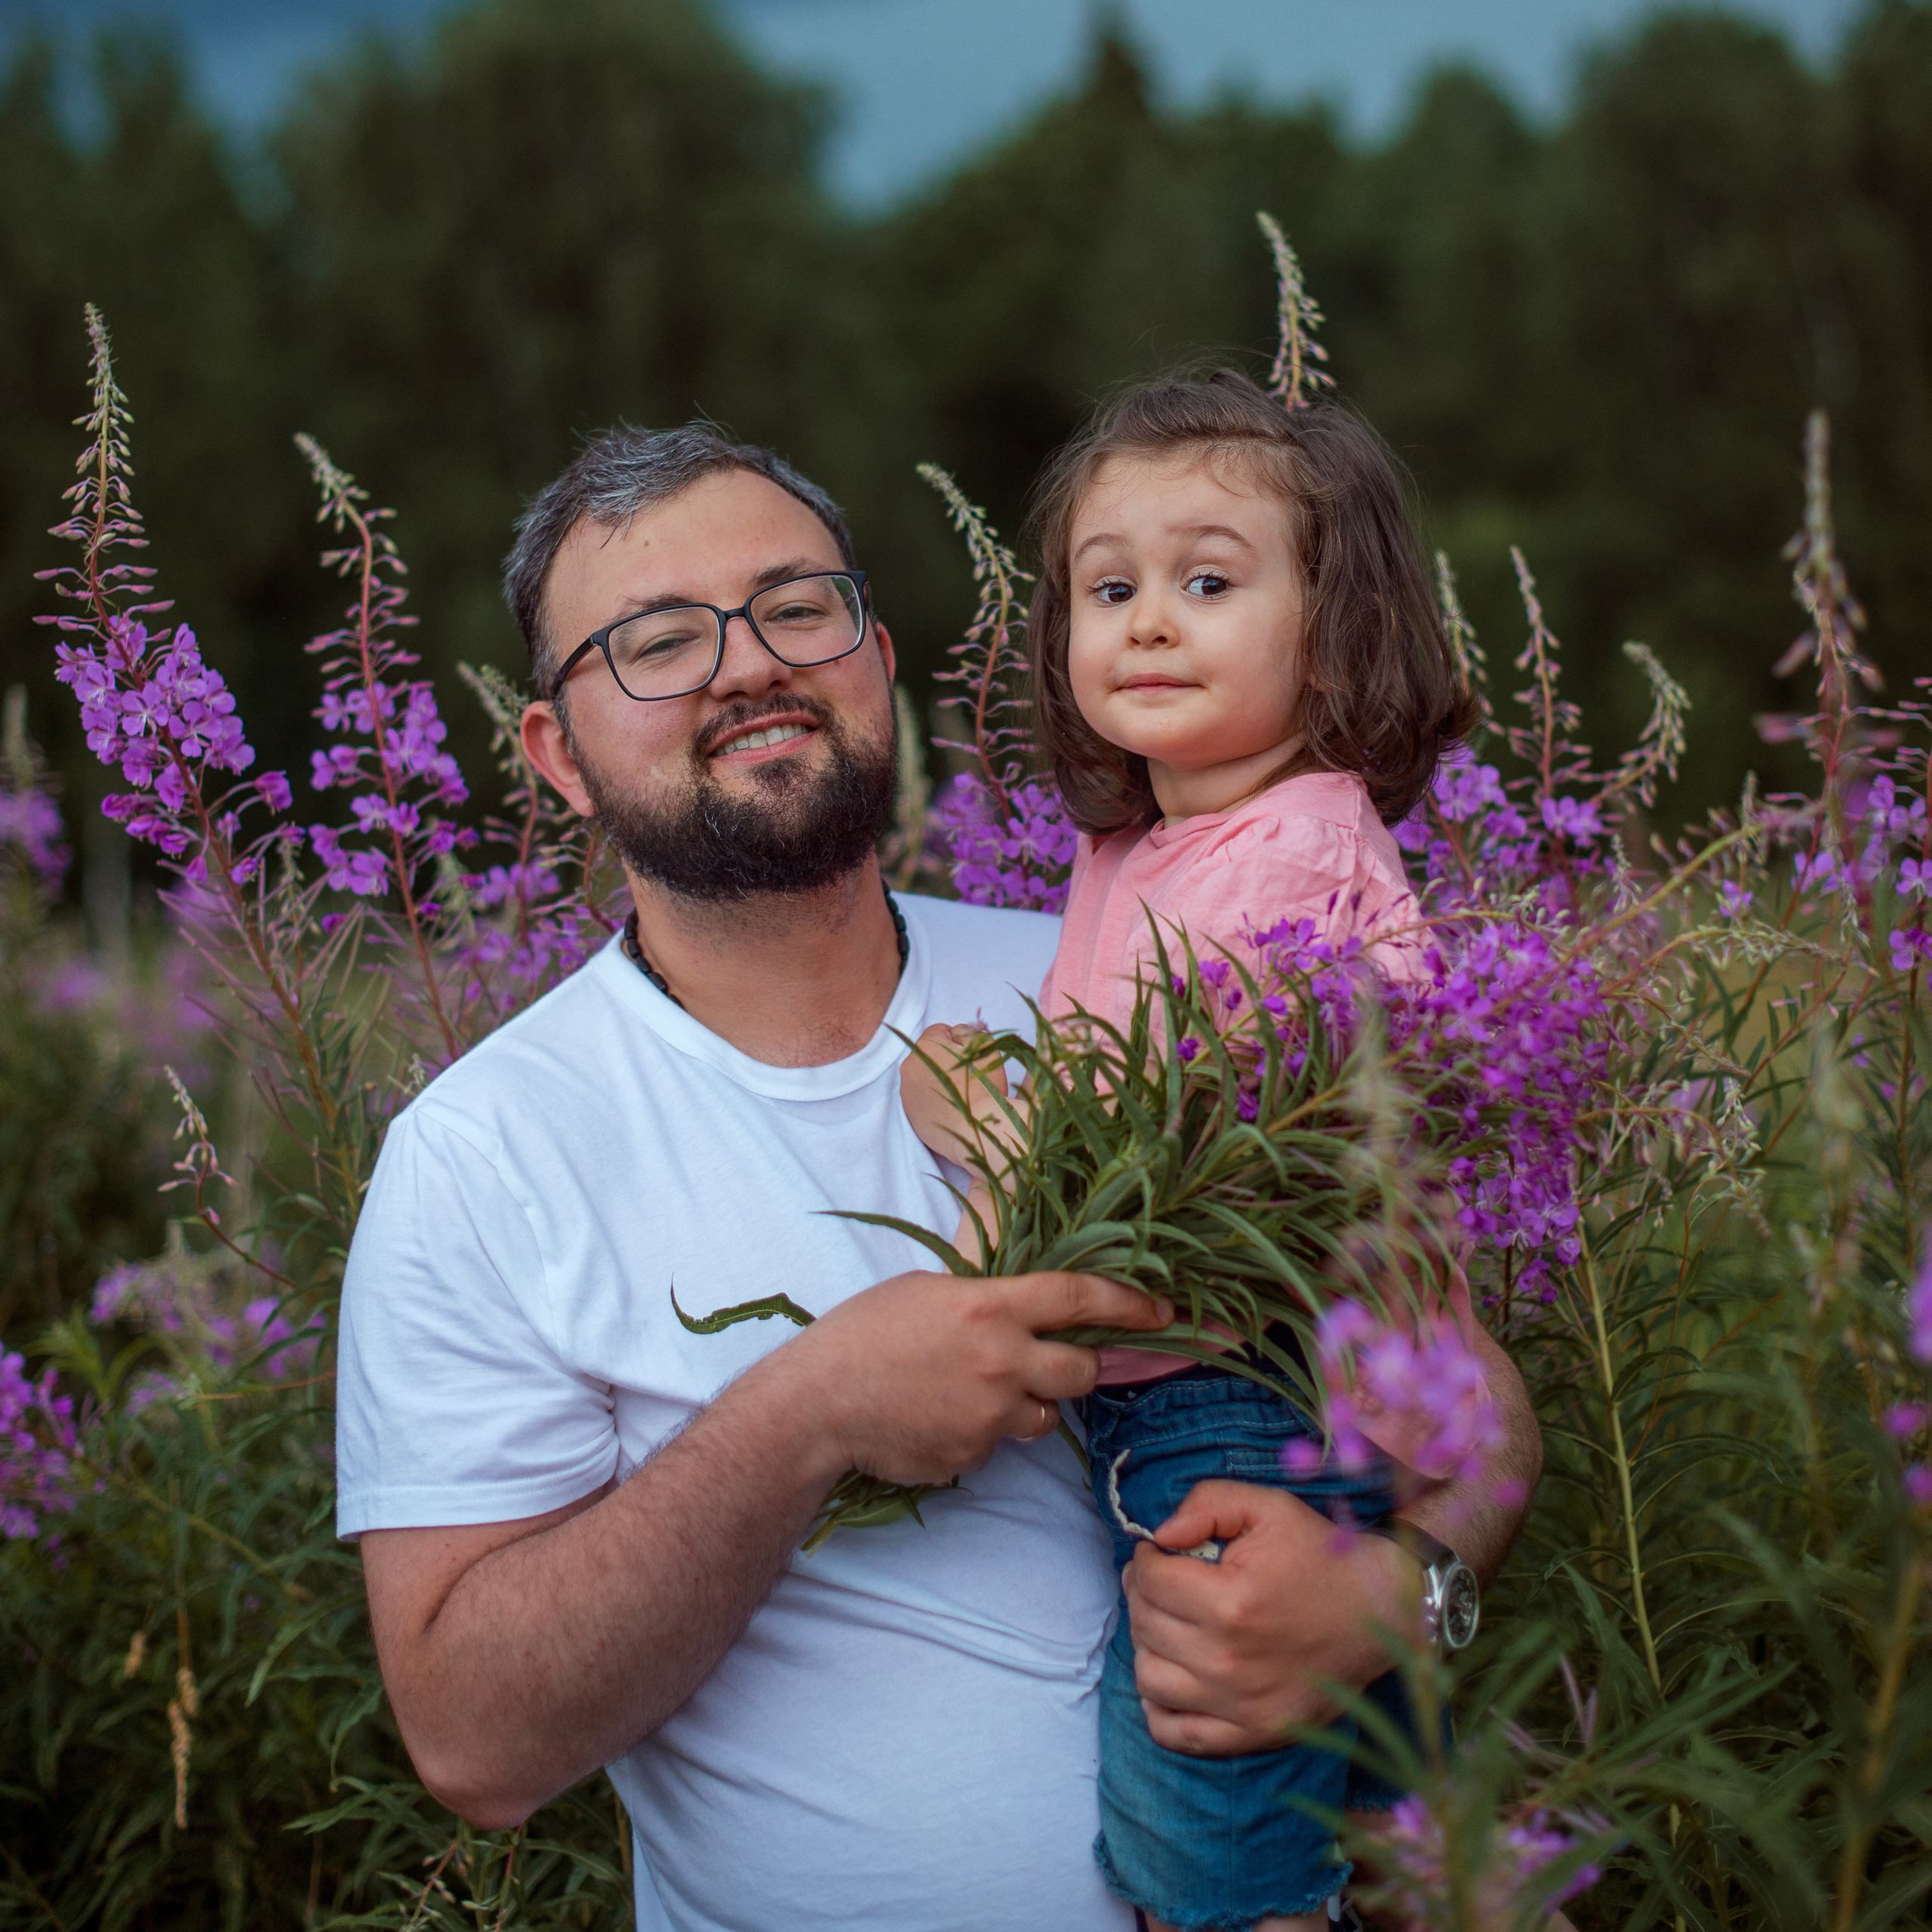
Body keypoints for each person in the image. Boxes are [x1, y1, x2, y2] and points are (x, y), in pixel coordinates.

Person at [334, 418, 1544, 1932]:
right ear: (556, 755)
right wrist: (807, 1412)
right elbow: (469, 1736)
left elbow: (1468, 1395)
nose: (744, 664)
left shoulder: (1128, 979)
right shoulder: (480, 1154)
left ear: (876, 659)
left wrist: (1388, 1593)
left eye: (795, 606)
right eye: (653, 639)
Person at [901, 370, 1492, 1932]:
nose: (1147, 620)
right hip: (1201, 1382)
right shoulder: (1143, 848)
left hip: (1235, 1394)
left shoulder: (1296, 842)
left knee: (1203, 1824)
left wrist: (968, 1107)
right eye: (1108, 588)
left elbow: (1156, 1164)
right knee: (1370, 1824)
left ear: (1337, 626)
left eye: (1206, 581)